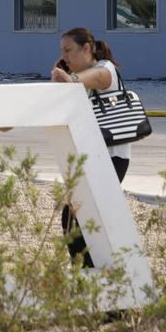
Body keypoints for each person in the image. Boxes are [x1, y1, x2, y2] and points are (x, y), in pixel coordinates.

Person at [51, 27, 131, 267]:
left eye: (69, 50)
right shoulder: (77, 78)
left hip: (110, 157)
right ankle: (90, 275)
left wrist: (71, 79)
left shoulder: (104, 69)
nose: (64, 55)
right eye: (62, 51)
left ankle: (94, 276)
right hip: (90, 158)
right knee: (76, 218)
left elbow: (95, 78)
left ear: (87, 48)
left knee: (76, 217)